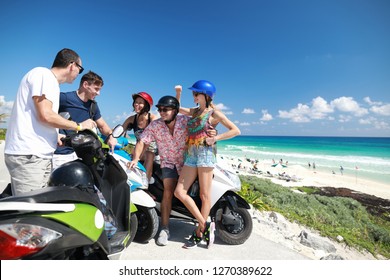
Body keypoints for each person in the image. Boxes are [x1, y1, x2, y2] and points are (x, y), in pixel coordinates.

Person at [4, 48, 96, 196]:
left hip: (38, 155)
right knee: (30, 212)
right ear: (72, 65)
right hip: (29, 154)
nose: (79, 73)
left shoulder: (50, 82)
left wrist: (55, 136)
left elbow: (39, 116)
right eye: (80, 68)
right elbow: (46, 115)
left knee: (40, 205)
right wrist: (79, 126)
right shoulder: (44, 75)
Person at [127, 95, 216, 246]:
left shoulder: (185, 121)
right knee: (168, 191)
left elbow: (203, 124)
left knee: (200, 192)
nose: (162, 112)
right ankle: (165, 229)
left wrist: (213, 132)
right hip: (167, 163)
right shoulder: (155, 126)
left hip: (187, 163)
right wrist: (135, 159)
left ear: (175, 110)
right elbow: (143, 141)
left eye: (166, 109)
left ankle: (200, 227)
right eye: (160, 109)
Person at [174, 80, 240, 249]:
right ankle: (205, 224)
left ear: (206, 96)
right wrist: (178, 94)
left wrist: (215, 138)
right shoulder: (194, 111)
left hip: (205, 154)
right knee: (179, 192)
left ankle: (198, 234)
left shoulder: (214, 114)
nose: (194, 96)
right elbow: (176, 108)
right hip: (191, 155)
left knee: (204, 195)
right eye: (193, 94)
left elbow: (235, 130)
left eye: (196, 93)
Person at [52, 71, 117, 169]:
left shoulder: (93, 106)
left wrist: (111, 136)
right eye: (96, 89)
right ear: (85, 84)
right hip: (62, 154)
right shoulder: (64, 98)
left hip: (83, 154)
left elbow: (103, 126)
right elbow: (46, 115)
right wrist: (55, 134)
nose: (98, 93)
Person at [122, 92, 157, 182]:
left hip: (155, 150)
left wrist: (136, 158)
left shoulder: (153, 118)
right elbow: (120, 131)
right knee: (125, 156)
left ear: (147, 105)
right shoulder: (132, 119)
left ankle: (145, 183)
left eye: (141, 103)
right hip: (139, 148)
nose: (137, 105)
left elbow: (147, 141)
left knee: (149, 155)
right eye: (136, 102)